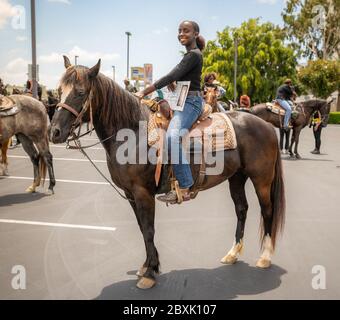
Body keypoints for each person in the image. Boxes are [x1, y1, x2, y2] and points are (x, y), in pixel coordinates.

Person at [135, 20, 205, 203]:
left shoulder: (194, 55)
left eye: (186, 31)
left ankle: (185, 185)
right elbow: (176, 77)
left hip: (191, 103)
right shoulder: (189, 56)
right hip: (181, 101)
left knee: (172, 137)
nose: (181, 33)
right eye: (179, 30)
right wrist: (173, 82)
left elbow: (171, 75)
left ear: (196, 34)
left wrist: (143, 92)